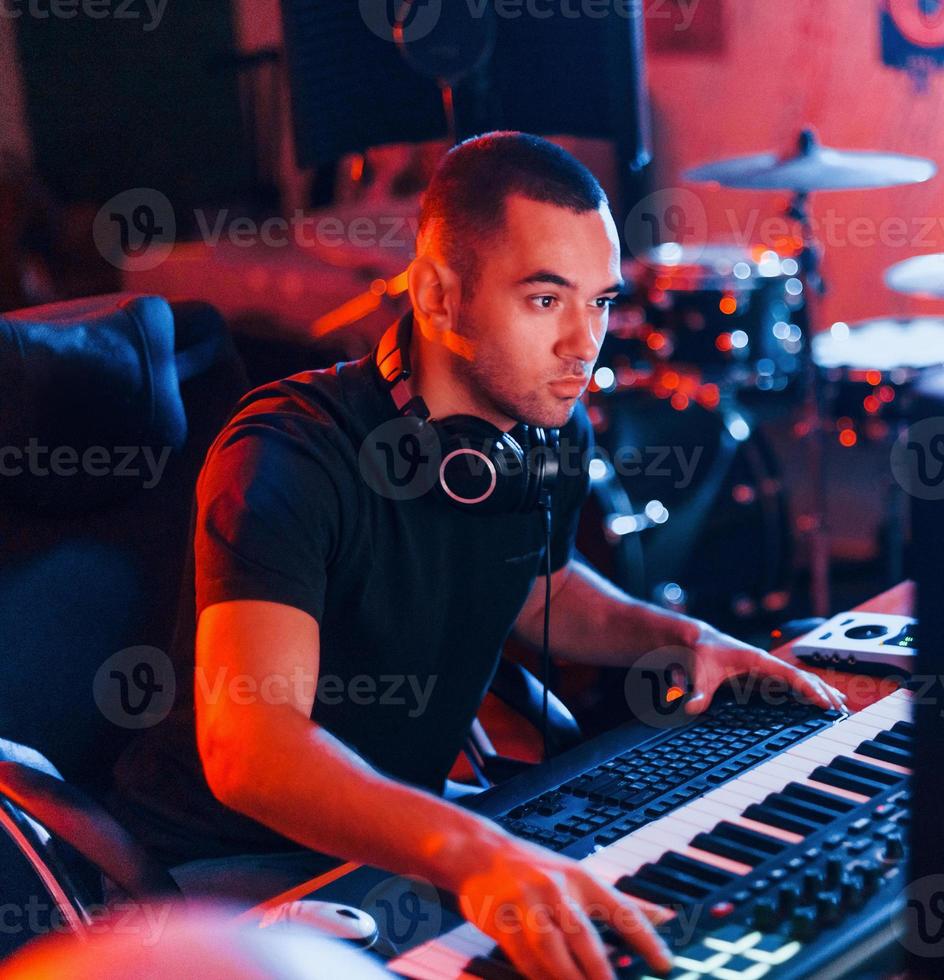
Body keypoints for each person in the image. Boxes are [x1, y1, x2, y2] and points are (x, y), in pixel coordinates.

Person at [109, 132, 846, 980]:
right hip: (223, 874)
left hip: (403, 837)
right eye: (545, 300)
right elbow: (252, 748)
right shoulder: (286, 454)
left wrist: (683, 641)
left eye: (601, 302)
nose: (584, 343)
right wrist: (473, 850)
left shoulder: (544, 429)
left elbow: (547, 586)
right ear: (438, 295)